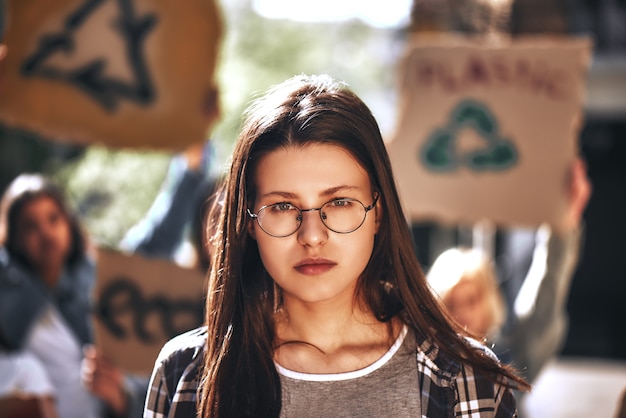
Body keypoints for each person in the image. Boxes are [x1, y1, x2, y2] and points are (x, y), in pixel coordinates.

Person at [143, 74, 530, 418]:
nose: (312, 235)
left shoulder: (465, 380)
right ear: (249, 224)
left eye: (339, 203)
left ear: (378, 211)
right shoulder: (187, 374)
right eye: (282, 206)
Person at [0, 174, 143, 418]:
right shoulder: (7, 297)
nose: (46, 233)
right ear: (14, 238)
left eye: (53, 219)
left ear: (68, 223)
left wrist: (119, 397)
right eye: (31, 226)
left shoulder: (98, 285)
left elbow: (135, 378)